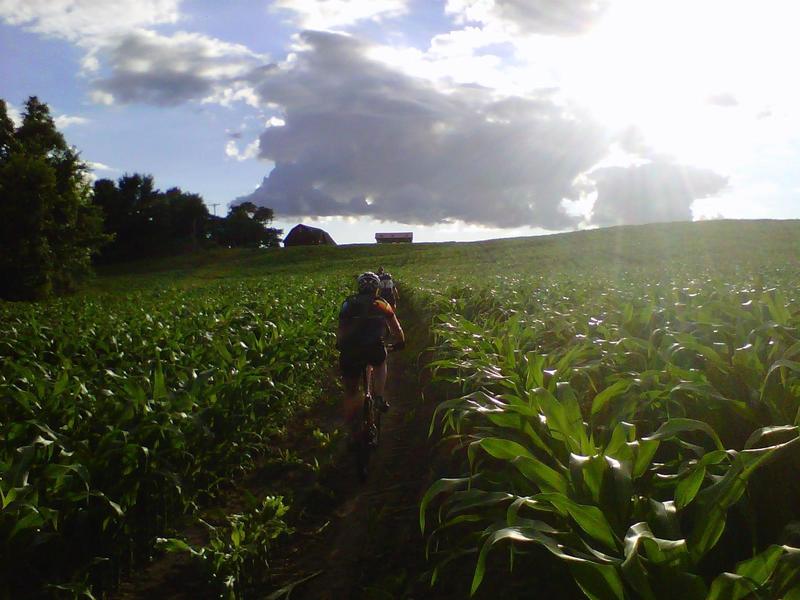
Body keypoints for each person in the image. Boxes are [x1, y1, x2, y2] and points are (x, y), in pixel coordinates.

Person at [337, 272, 405, 445]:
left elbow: (341, 329)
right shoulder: (382, 303)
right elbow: (395, 328)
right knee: (381, 362)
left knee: (351, 391)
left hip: (351, 351)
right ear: (377, 288)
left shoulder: (348, 303)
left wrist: (340, 344)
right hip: (374, 348)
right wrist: (400, 342)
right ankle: (379, 396)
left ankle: (351, 427)